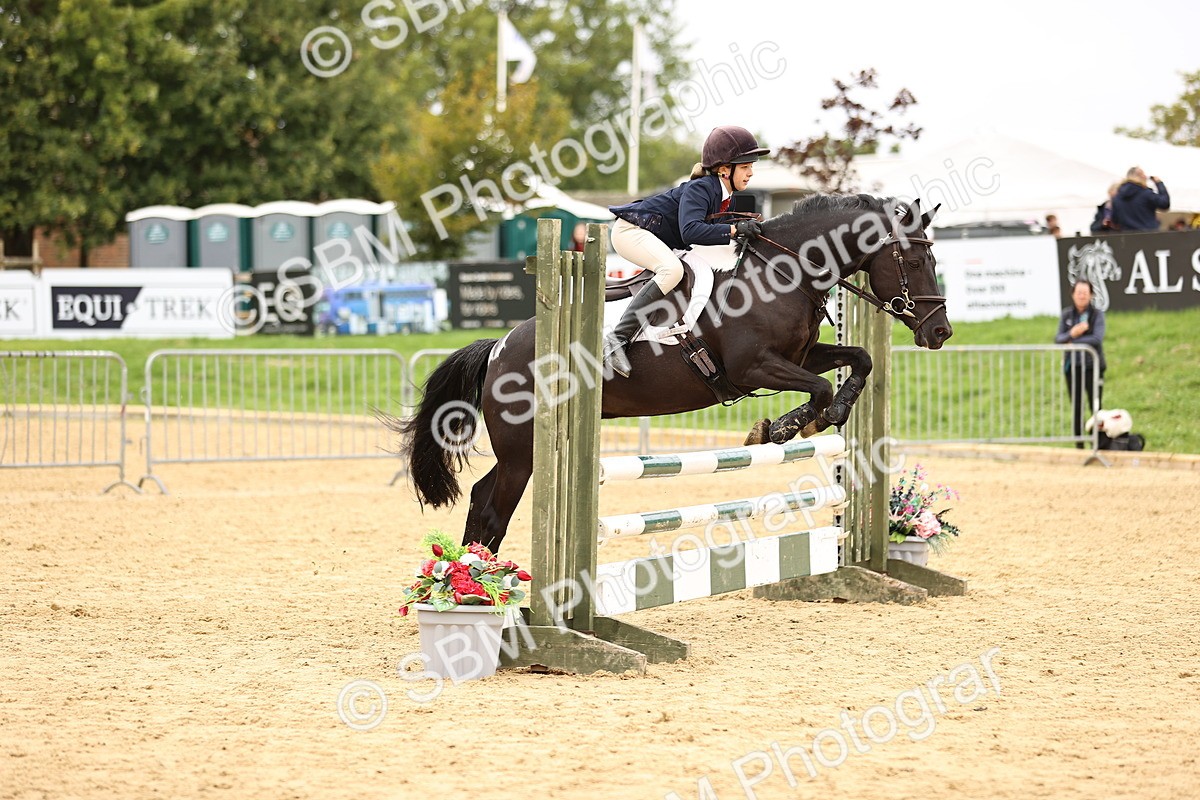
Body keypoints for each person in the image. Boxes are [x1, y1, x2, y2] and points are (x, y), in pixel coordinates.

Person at [603, 125, 768, 377]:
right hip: (630, 231)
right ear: (725, 169)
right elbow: (692, 231)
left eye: (751, 166)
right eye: (745, 166)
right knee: (671, 270)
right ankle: (616, 339)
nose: (751, 173)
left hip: (653, 236)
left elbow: (708, 238)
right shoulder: (701, 188)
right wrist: (734, 231)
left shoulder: (726, 196)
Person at [1055, 279, 1106, 447]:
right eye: (1079, 293)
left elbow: (1097, 339)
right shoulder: (1067, 315)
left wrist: (1073, 341)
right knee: (1077, 407)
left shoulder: (1097, 315)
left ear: (1091, 294)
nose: (1082, 296)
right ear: (1073, 295)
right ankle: (1079, 445)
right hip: (1073, 368)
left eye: (1085, 292)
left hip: (1093, 366)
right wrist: (1073, 332)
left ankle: (1097, 443)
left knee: (1096, 405)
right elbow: (1058, 339)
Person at [1111, 167, 1170, 232]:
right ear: (1140, 176)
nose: (1145, 177)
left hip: (1127, 238)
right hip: (1148, 236)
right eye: (1144, 175)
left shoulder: (1117, 198)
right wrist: (1159, 183)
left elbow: (1115, 221)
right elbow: (1164, 203)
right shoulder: (1146, 193)